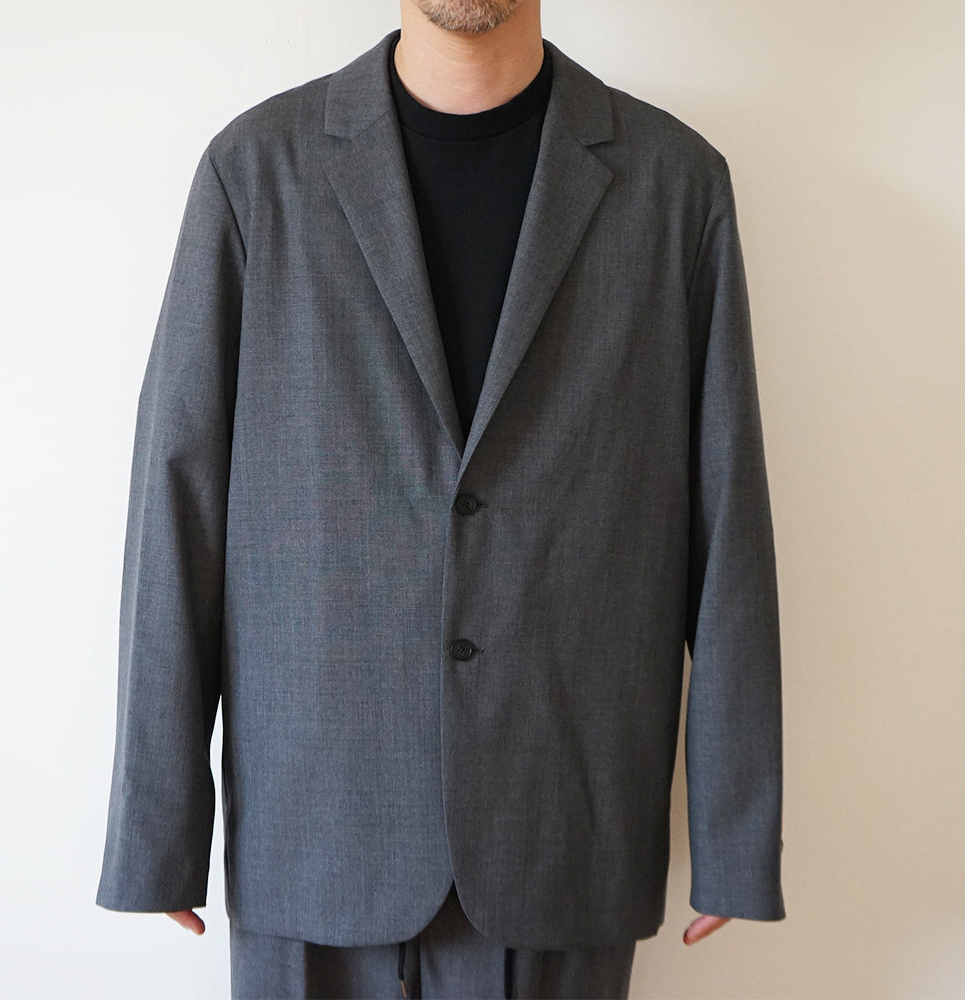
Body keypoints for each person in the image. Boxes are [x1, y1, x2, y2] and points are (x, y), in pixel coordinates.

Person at [95, 1, 785, 996]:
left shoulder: (674, 186)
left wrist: (735, 833)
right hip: (315, 829)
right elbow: (179, 498)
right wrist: (158, 826)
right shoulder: (256, 173)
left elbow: (728, 517)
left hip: (560, 829)